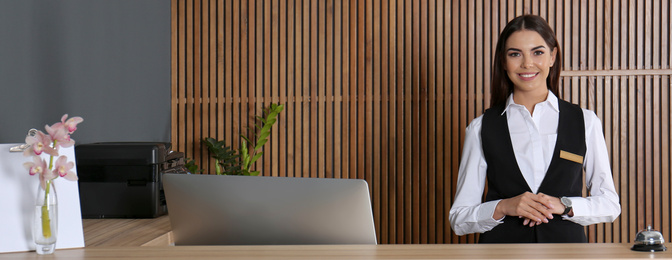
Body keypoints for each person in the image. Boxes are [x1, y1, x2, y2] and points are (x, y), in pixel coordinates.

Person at [448, 14, 621, 243]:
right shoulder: (480, 128)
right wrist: (504, 207)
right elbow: (459, 219)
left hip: (568, 257)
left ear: (552, 56)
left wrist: (565, 205)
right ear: (503, 61)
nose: (527, 63)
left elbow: (610, 204)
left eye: (537, 52)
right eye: (515, 54)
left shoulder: (585, 122)